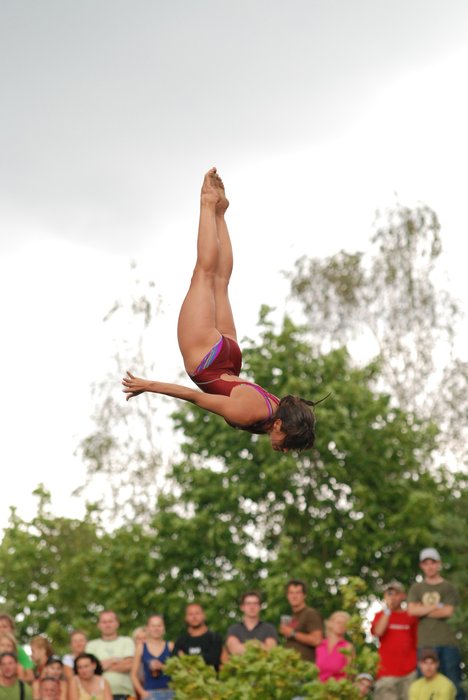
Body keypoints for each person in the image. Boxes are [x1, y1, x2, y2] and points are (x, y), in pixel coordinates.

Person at [122, 168, 324, 453]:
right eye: (288, 443)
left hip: (229, 355)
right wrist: (147, 385)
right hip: (206, 361)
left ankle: (219, 213)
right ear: (280, 426)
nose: (286, 450)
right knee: (204, 274)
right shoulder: (251, 415)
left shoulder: (278, 407)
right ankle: (207, 202)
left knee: (219, 282)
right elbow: (194, 397)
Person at [407, 548, 465, 699]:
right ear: (421, 566)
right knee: (423, 686)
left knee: (454, 684)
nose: (430, 566)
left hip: (448, 642)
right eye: (426, 563)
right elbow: (412, 611)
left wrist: (423, 608)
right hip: (425, 643)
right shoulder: (417, 588)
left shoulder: (448, 587)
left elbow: (448, 612)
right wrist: (436, 606)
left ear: (438, 564)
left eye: (432, 562)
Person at [371, 580, 418, 699]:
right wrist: (388, 610)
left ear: (403, 596)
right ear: (385, 596)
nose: (393, 597)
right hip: (386, 673)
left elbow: (416, 642)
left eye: (396, 594)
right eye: (389, 594)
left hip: (409, 673)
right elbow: (378, 631)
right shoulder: (380, 615)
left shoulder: (411, 616)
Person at [86, 611, 135, 700]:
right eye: (104, 622)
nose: (107, 625)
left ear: (117, 623)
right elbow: (89, 669)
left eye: (110, 621)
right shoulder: (91, 645)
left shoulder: (127, 641)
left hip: (126, 695)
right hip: (98, 695)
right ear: (99, 625)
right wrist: (115, 660)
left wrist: (101, 665)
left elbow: (129, 665)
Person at [130, 615, 174, 700]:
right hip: (150, 693)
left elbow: (179, 670)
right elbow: (133, 675)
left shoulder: (170, 646)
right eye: (153, 626)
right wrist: (142, 692)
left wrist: (162, 667)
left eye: (159, 625)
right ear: (147, 628)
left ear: (163, 628)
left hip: (170, 692)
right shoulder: (141, 648)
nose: (156, 629)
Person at [279, 579, 323, 662]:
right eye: (291, 593)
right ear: (287, 596)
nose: (294, 596)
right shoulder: (292, 616)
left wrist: (292, 633)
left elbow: (317, 640)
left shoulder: (310, 613)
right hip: (290, 666)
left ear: (304, 595)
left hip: (305, 667)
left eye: (298, 593)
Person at [225, 591, 278, 656]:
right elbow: (234, 650)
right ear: (242, 607)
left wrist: (244, 646)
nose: (252, 607)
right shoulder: (233, 629)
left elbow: (271, 651)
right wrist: (259, 646)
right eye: (248, 603)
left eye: (255, 603)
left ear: (260, 607)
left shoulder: (269, 628)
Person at [172, 604, 222, 672]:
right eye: (190, 614)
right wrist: (202, 656)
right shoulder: (180, 641)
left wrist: (186, 657)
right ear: (186, 618)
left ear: (204, 616)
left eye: (197, 613)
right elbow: (175, 662)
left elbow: (213, 660)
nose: (194, 617)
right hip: (186, 681)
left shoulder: (214, 638)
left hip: (210, 680)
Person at [315, 611, 353, 682]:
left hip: (338, 689)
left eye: (344, 624)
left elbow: (350, 673)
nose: (341, 625)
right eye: (338, 622)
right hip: (319, 688)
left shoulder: (348, 647)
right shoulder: (320, 645)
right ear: (330, 624)